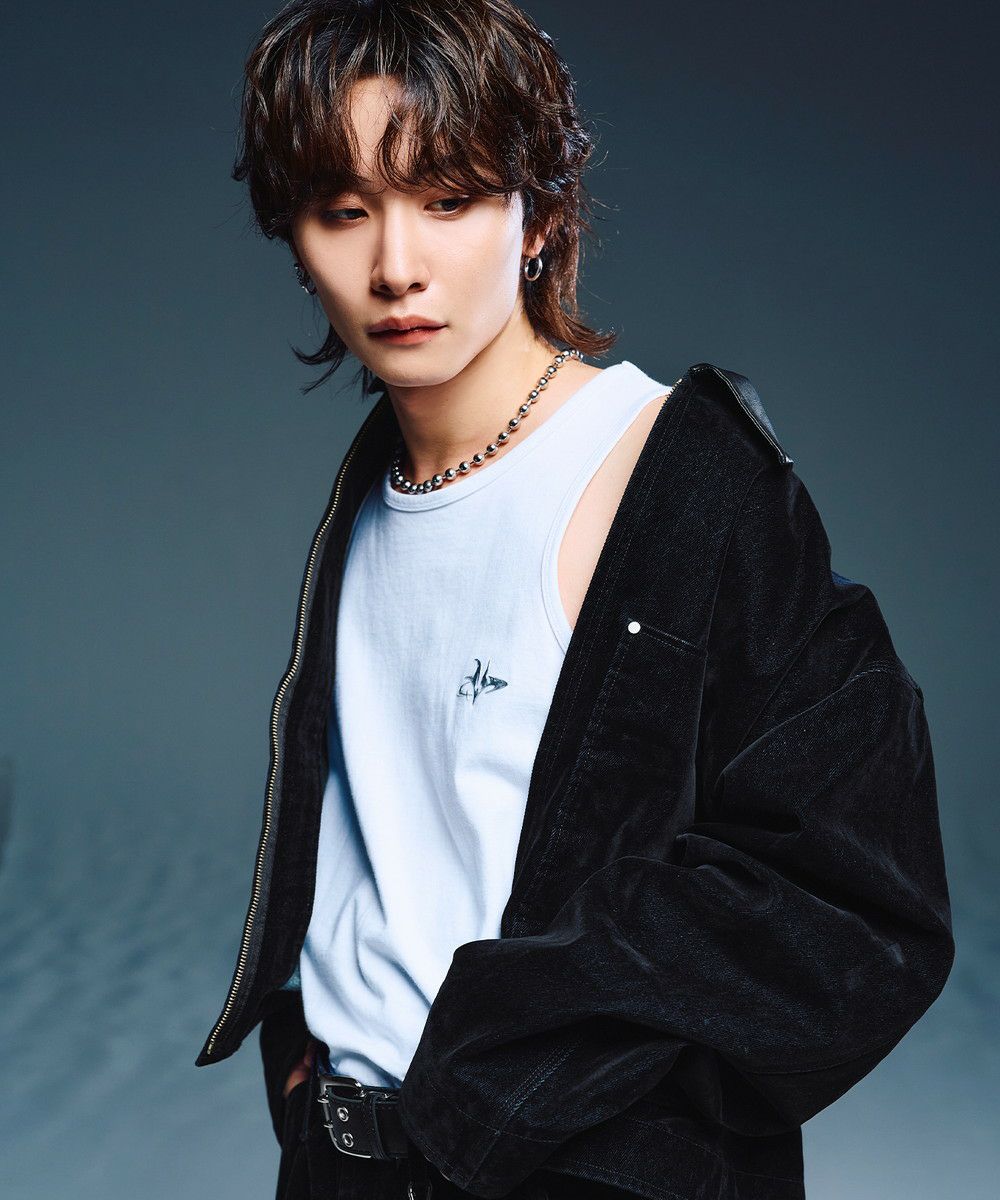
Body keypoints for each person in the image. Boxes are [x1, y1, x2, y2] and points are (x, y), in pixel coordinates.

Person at [195, 4, 955, 1200]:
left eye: (448, 199)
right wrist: (308, 1058)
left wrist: (524, 1073)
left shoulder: (681, 479)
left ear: (539, 216)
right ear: (295, 234)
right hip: (342, 1162)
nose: (395, 265)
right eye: (344, 211)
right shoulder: (371, 493)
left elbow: (860, 904)